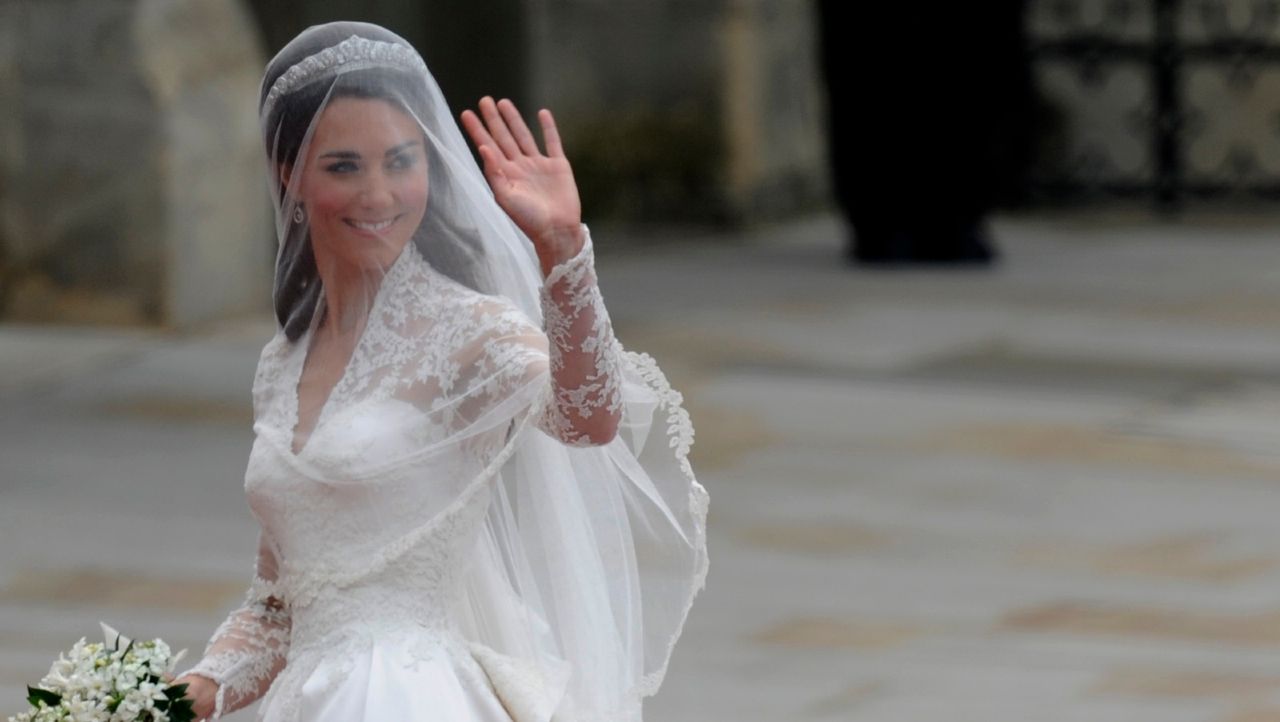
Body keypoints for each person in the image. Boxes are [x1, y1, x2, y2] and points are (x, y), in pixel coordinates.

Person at [172, 21, 708, 722]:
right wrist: (182, 697)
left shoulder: (464, 329)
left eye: (401, 160)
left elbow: (587, 417)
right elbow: (278, 608)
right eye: (344, 166)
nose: (379, 194)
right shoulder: (282, 363)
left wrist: (561, 251)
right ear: (288, 174)